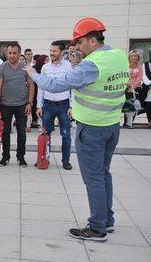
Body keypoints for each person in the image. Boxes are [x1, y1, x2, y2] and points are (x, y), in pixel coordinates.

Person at [25, 17, 129, 242]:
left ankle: (97, 228)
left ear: (92, 40)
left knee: (93, 178)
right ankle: (107, 220)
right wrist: (77, 64)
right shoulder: (119, 56)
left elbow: (53, 85)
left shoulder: (91, 65)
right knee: (103, 173)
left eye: (80, 42)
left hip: (92, 129)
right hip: (111, 126)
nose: (77, 47)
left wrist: (32, 73)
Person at [0, 43, 35, 167]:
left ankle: (21, 157)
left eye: (14, 53)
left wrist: (29, 102)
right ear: (6, 53)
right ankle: (5, 157)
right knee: (5, 132)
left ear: (19, 53)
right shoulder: (1, 67)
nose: (11, 55)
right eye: (9, 53)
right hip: (5, 105)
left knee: (21, 133)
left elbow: (32, 86)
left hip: (22, 105)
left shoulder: (26, 68)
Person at [37, 41, 73, 170]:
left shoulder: (69, 66)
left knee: (66, 134)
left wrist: (71, 106)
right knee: (45, 134)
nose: (51, 53)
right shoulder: (45, 67)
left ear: (62, 52)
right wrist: (39, 106)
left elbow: (73, 87)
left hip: (64, 105)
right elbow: (41, 86)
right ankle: (43, 158)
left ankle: (66, 161)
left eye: (54, 51)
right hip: (47, 104)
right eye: (50, 51)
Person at [141, 52, 151, 127]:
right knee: (148, 105)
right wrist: (149, 84)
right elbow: (143, 76)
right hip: (148, 88)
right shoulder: (144, 65)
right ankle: (150, 122)